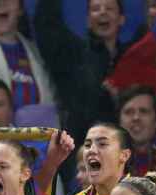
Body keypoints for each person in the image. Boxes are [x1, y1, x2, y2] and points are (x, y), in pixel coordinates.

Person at [34, 0, 126, 152]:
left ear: (121, 19)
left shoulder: (132, 56)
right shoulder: (73, 54)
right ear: (88, 20)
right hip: (78, 148)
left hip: (121, 147)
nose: (103, 12)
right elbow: (47, 25)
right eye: (96, 9)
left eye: (109, 8)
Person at [118, 85, 156, 181]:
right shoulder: (105, 154)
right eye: (129, 112)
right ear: (120, 121)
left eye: (144, 111)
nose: (136, 118)